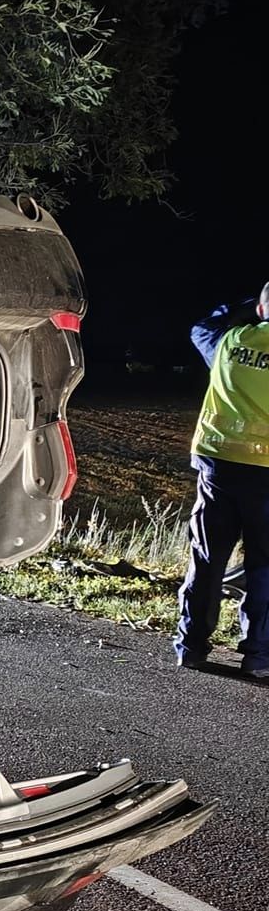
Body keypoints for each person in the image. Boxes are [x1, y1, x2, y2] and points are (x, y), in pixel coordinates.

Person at [176, 284, 269, 679]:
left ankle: (191, 647)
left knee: (207, 559)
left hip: (220, 467)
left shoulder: (230, 341)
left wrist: (249, 306)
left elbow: (203, 325)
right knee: (265, 568)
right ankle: (259, 657)